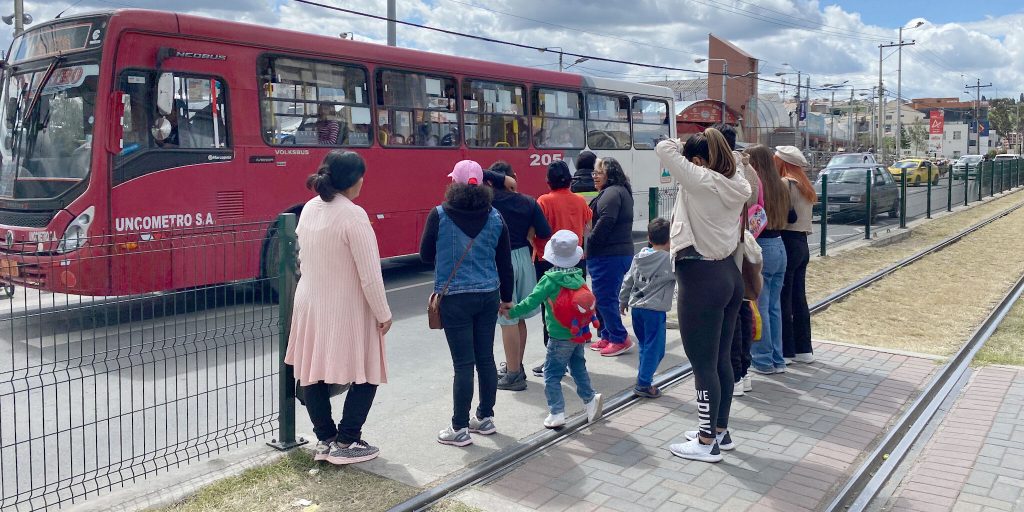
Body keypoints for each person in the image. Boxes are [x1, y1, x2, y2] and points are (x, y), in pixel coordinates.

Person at [285, 150, 391, 465]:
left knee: (312, 370)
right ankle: (347, 441)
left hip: (309, 301)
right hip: (346, 304)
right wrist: (383, 313)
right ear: (353, 180)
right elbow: (370, 275)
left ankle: (326, 439)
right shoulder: (353, 215)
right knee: (367, 370)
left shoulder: (309, 208)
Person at [655, 128, 750, 463]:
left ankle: (706, 441)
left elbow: (664, 148)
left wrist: (684, 144)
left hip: (700, 278)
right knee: (720, 359)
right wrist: (713, 144)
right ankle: (719, 431)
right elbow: (732, 159)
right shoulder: (736, 180)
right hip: (728, 274)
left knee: (702, 364)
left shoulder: (700, 179)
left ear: (697, 160)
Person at [419, 160, 514, 447]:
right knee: (485, 358)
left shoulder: (439, 215)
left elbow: (425, 255)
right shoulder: (495, 216)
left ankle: (459, 427)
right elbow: (505, 262)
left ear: (455, 183)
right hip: (488, 295)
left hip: (455, 298)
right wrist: (507, 298)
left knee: (463, 364)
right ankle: (484, 418)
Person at [505, 230, 603, 429]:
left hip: (559, 336)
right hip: (578, 333)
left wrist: (512, 312)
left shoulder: (549, 280)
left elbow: (531, 301)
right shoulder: (578, 276)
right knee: (578, 368)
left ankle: (557, 412)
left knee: (551, 374)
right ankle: (591, 400)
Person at [486, 161, 552, 391]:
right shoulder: (528, 201)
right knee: (518, 315)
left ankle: (513, 374)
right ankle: (517, 365)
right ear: (512, 176)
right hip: (524, 257)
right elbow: (544, 231)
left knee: (507, 318)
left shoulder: (488, 202)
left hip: (498, 259)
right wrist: (529, 233)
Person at [710, 123, 760, 397]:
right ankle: (744, 371)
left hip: (729, 247)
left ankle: (736, 373)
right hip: (742, 242)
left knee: (732, 314)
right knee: (741, 308)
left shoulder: (726, 171)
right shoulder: (747, 168)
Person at [530, 160, 592, 376]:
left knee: (551, 311)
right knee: (575, 307)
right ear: (569, 180)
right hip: (576, 260)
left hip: (548, 261)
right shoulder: (580, 201)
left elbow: (535, 231)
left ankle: (554, 361)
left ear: (548, 181)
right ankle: (575, 359)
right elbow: (588, 227)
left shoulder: (543, 201)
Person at [746, 145, 792, 376]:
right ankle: (777, 358)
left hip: (761, 246)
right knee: (775, 307)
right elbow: (791, 216)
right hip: (780, 245)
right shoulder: (782, 185)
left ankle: (762, 360)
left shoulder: (756, 185)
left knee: (760, 306)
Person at [619, 218, 674, 398]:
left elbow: (628, 279)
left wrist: (622, 300)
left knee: (645, 345)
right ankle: (643, 383)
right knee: (656, 349)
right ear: (670, 239)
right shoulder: (670, 260)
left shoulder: (638, 257)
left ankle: (643, 378)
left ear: (649, 238)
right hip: (655, 311)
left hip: (637, 309)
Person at [587, 157, 636, 357]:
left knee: (605, 299)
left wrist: (591, 241)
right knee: (604, 298)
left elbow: (606, 221)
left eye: (599, 172)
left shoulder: (612, 193)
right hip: (615, 254)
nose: (595, 176)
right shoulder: (619, 191)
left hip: (608, 255)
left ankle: (619, 338)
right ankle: (608, 335)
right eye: (595, 172)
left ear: (610, 174)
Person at [776, 146, 815, 364]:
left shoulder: (785, 184)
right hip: (802, 242)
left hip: (787, 241)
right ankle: (804, 349)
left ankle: (786, 351)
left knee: (784, 297)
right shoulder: (805, 185)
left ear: (783, 163)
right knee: (799, 297)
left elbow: (782, 217)